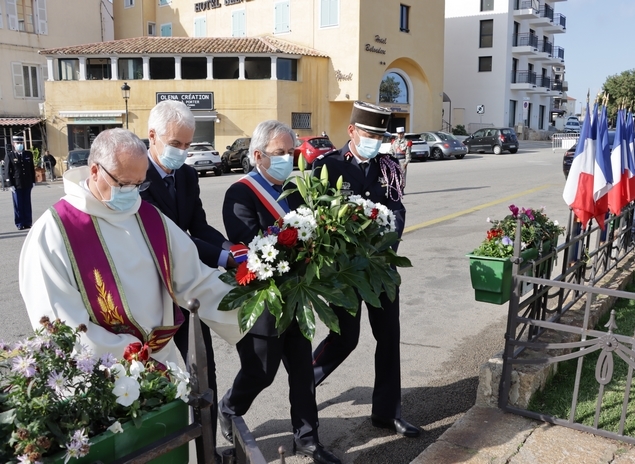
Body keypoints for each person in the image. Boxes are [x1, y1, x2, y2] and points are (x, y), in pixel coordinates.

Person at [19, 128, 243, 371]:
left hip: (159, 362)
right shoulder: (54, 230)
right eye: (124, 183)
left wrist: (251, 298)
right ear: (95, 171)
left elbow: (194, 277)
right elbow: (58, 320)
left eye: (139, 184)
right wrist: (127, 353)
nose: (131, 193)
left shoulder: (149, 217)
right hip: (101, 372)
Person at [219, 120, 341, 464]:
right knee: (261, 371)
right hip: (265, 298)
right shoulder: (240, 194)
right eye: (280, 153)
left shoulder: (296, 189)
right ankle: (230, 407)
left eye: (291, 152)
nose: (288, 158)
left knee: (302, 372)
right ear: (258, 156)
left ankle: (307, 439)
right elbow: (251, 246)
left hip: (296, 296)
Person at [311, 101, 420, 438]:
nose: (374, 140)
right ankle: (303, 387)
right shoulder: (328, 166)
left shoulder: (387, 168)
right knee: (345, 338)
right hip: (344, 271)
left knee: (388, 337)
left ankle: (387, 413)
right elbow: (317, 215)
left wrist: (385, 244)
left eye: (379, 135)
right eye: (369, 133)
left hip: (381, 268)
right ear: (352, 131)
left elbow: (397, 211)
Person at [139, 100, 237, 460]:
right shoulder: (135, 177)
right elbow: (171, 237)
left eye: (187, 144)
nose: (182, 152)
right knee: (163, 379)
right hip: (154, 294)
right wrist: (224, 257)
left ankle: (207, 452)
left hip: (190, 292)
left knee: (202, 374)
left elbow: (197, 226)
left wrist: (232, 248)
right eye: (175, 144)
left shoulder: (186, 175)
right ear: (153, 136)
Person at [5, 135, 35, 230]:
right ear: (14, 144)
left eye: (21, 143)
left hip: (27, 183)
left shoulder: (28, 154)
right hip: (16, 184)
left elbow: (31, 169)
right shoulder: (10, 155)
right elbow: (7, 171)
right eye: (17, 143)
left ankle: (28, 222)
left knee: (27, 203)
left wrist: (33, 181)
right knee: (18, 204)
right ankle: (20, 223)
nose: (19, 145)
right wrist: (10, 184)